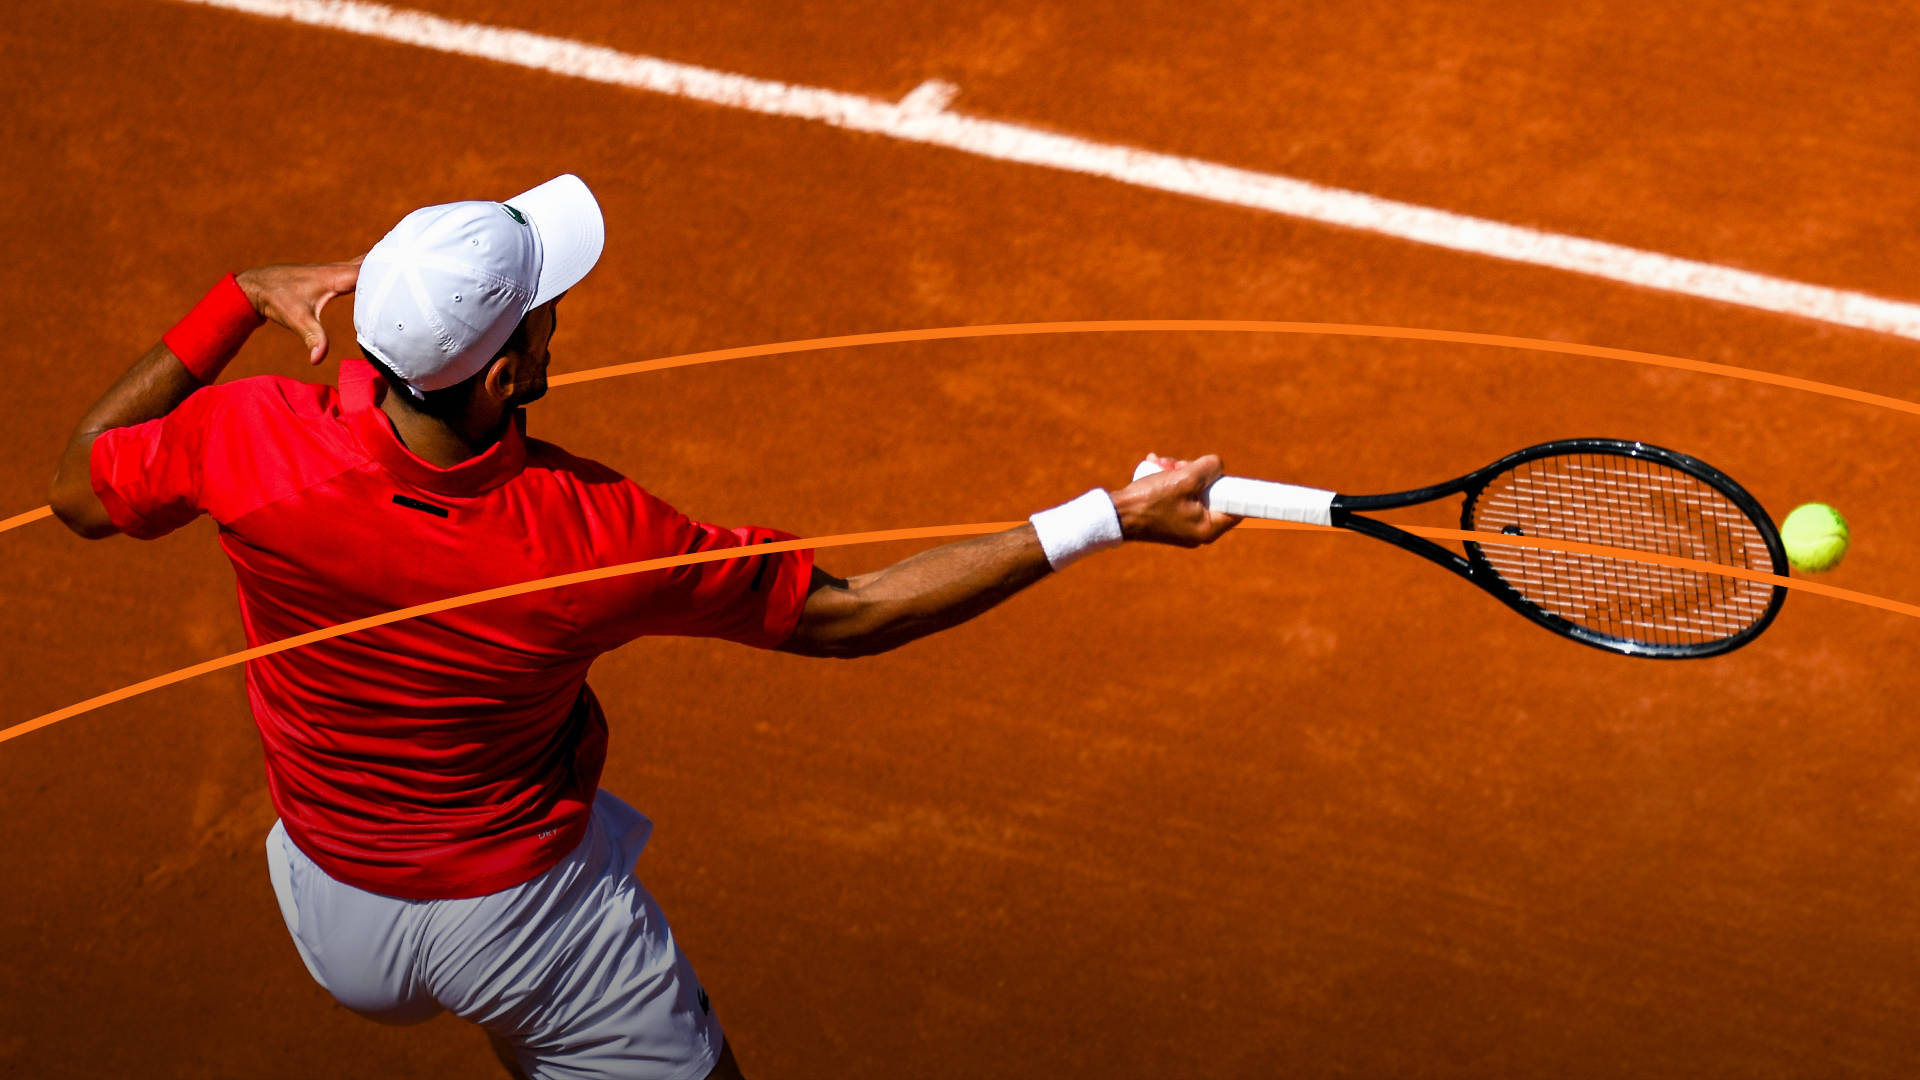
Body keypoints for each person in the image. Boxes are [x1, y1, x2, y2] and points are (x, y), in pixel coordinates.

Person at [47, 174, 1240, 1079]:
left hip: (328, 898)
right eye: (542, 313)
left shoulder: (246, 435)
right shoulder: (593, 535)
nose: (557, 315)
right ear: (506, 374)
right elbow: (849, 614)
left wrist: (237, 298)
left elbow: (76, 490)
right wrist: (1109, 518)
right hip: (519, 919)